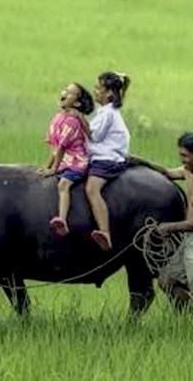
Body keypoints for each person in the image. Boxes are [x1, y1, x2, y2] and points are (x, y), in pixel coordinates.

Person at [131, 132, 193, 311]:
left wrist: (169, 227)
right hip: (190, 236)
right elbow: (167, 172)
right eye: (181, 155)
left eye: (185, 156)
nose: (182, 160)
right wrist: (141, 162)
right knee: (166, 280)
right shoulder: (188, 171)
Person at [39, 82, 94, 236]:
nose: (64, 93)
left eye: (70, 93)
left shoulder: (72, 122)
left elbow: (62, 148)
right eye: (65, 90)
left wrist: (53, 170)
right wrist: (48, 166)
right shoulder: (57, 118)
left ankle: (62, 219)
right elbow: (54, 147)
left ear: (76, 102)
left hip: (76, 163)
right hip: (63, 161)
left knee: (63, 185)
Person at [85, 71, 131, 251]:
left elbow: (94, 136)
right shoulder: (109, 109)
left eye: (98, 89)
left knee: (92, 189)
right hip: (108, 155)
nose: (95, 91)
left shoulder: (107, 114)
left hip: (107, 159)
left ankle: (105, 231)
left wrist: (79, 119)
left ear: (109, 94)